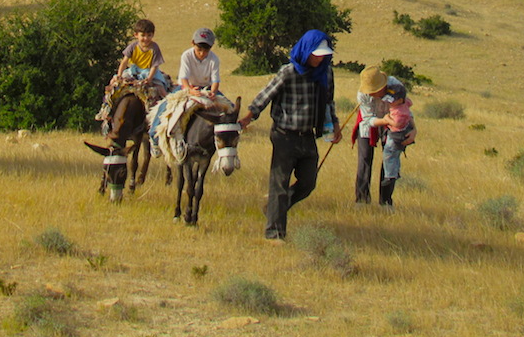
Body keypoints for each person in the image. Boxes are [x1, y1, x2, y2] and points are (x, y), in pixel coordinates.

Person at [239, 29, 342, 242]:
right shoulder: (289, 72)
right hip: (284, 135)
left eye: (323, 54)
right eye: (316, 53)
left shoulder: (325, 73)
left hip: (308, 136)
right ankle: (274, 233)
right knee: (279, 184)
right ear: (306, 51)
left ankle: (275, 207)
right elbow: (265, 95)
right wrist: (248, 117)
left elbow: (329, 101)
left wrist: (335, 126)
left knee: (308, 183)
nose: (319, 58)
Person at [149, 27, 231, 158]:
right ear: (192, 43)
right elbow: (183, 79)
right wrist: (190, 91)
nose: (202, 53)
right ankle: (154, 136)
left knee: (229, 108)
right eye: (199, 49)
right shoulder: (186, 55)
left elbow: (215, 80)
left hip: (207, 88)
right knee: (166, 105)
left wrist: (213, 93)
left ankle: (229, 138)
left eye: (206, 50)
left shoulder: (214, 59)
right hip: (187, 88)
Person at [355, 66, 416, 206]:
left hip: (394, 124)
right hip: (371, 123)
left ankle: (386, 202)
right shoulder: (362, 95)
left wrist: (413, 129)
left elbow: (405, 111)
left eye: (375, 91)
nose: (372, 94)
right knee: (365, 158)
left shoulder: (396, 86)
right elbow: (367, 119)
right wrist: (384, 121)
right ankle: (362, 201)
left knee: (390, 158)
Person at [96, 19, 167, 133]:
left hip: (149, 72)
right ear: (136, 35)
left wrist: (149, 79)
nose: (146, 38)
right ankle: (106, 111)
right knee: (113, 84)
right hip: (134, 70)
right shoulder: (133, 47)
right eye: (143, 35)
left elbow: (154, 66)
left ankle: (164, 114)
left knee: (161, 89)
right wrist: (119, 75)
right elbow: (124, 61)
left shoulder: (154, 48)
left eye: (149, 35)